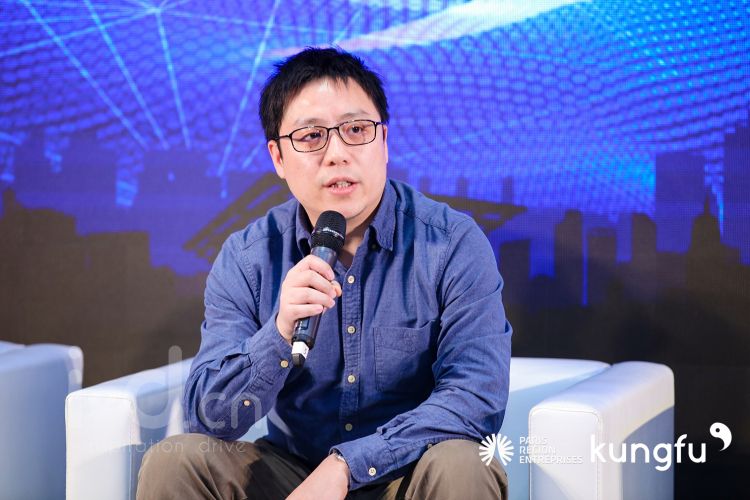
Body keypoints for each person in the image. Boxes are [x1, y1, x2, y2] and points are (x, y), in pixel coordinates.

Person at [137, 47, 511, 500]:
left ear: (384, 141)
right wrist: (278, 333)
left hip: (408, 475)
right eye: (312, 136)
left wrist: (346, 465)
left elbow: (476, 397)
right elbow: (209, 417)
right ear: (278, 157)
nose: (337, 154)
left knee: (464, 463)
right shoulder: (247, 257)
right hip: (290, 474)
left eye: (356, 130)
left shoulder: (451, 244)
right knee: (176, 460)